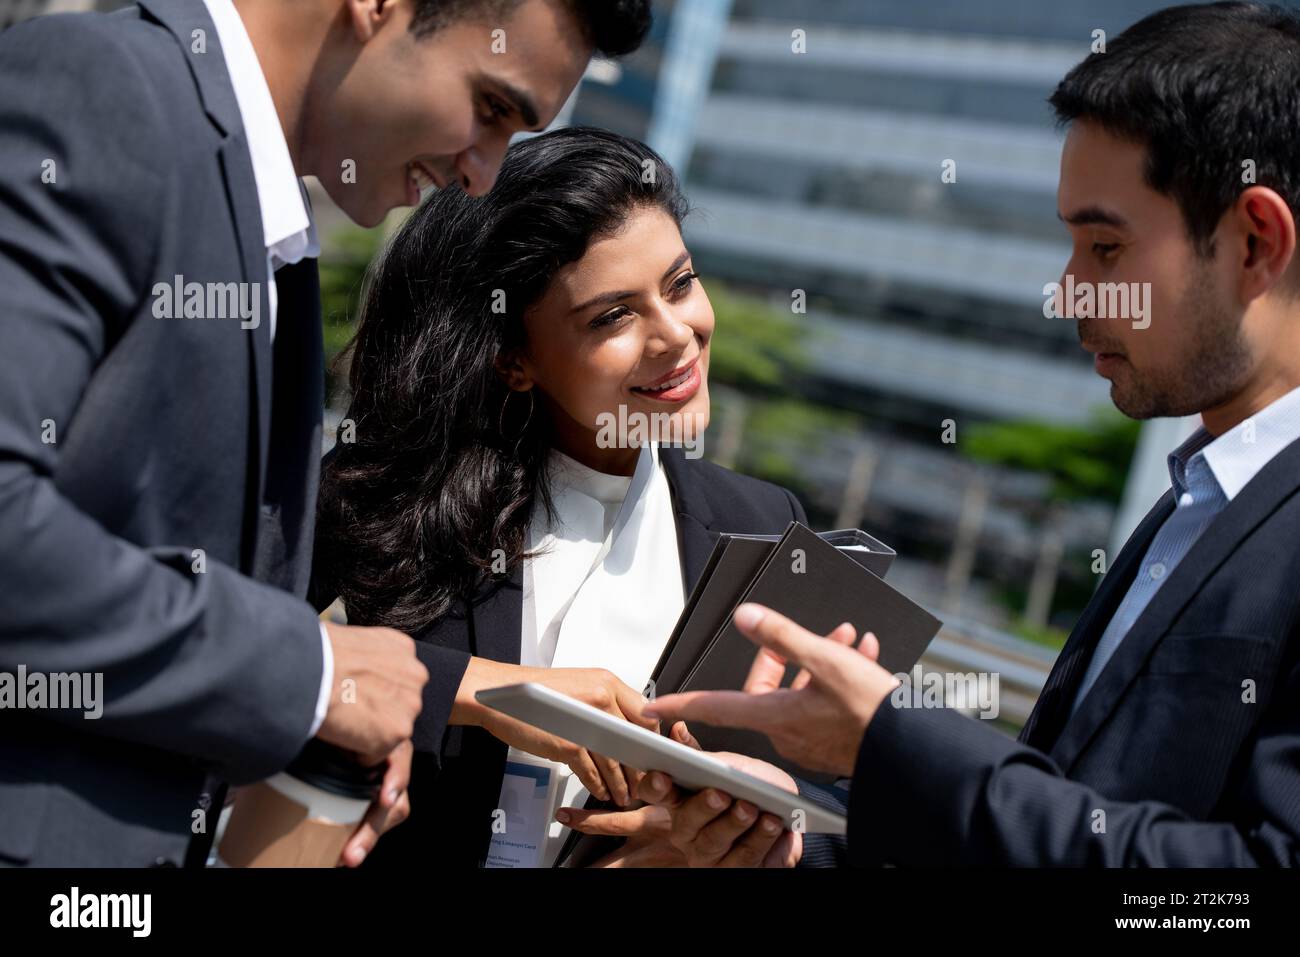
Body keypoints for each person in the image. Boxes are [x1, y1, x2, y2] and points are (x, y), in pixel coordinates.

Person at [596, 0, 1300, 867]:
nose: (1070, 293)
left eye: (1106, 249)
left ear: (1255, 242)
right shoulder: (1198, 503)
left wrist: (892, 741)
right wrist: (772, 852)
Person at [0, 0, 651, 868]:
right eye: (491, 109)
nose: (484, 176)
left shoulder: (271, 229)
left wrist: (293, 744)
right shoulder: (105, 90)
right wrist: (308, 677)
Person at [310, 127, 809, 868]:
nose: (677, 335)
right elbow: (243, 655)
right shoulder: (381, 499)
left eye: (680, 284)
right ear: (514, 358)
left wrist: (753, 827)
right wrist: (496, 694)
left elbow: (821, 794)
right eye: (613, 316)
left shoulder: (766, 525)